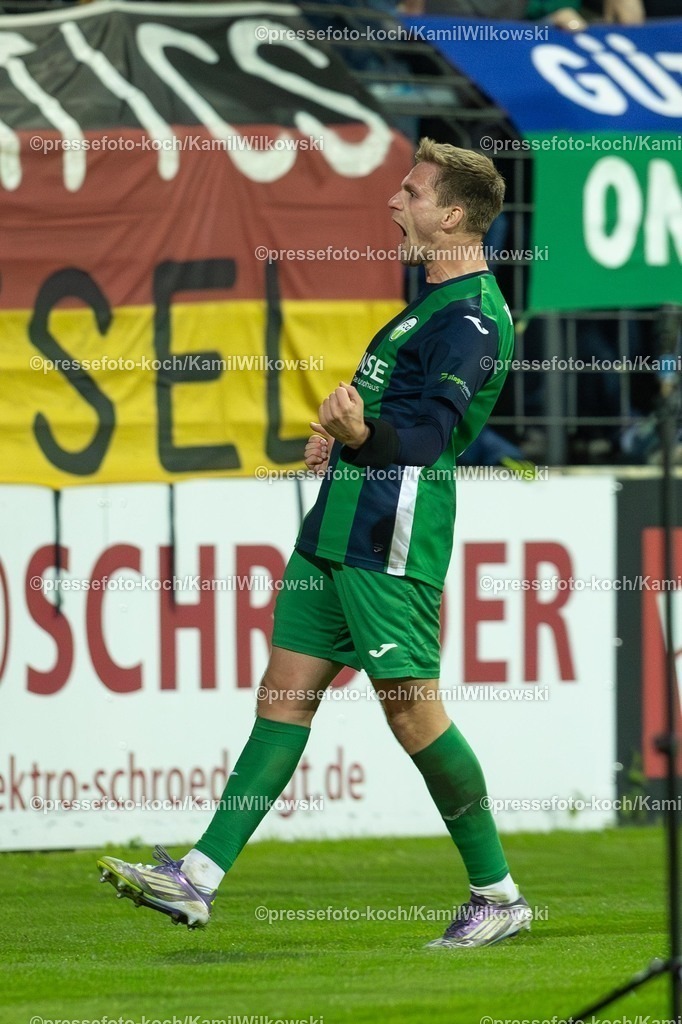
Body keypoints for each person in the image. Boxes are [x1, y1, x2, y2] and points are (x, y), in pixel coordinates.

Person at [98, 138, 532, 949]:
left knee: (412, 715)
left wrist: (360, 429)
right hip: (337, 526)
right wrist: (341, 437)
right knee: (283, 696)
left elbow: (429, 437)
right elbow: (385, 424)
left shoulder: (471, 320)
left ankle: (498, 894)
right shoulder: (426, 307)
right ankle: (197, 877)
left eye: (411, 192)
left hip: (388, 538)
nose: (393, 203)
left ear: (454, 216)